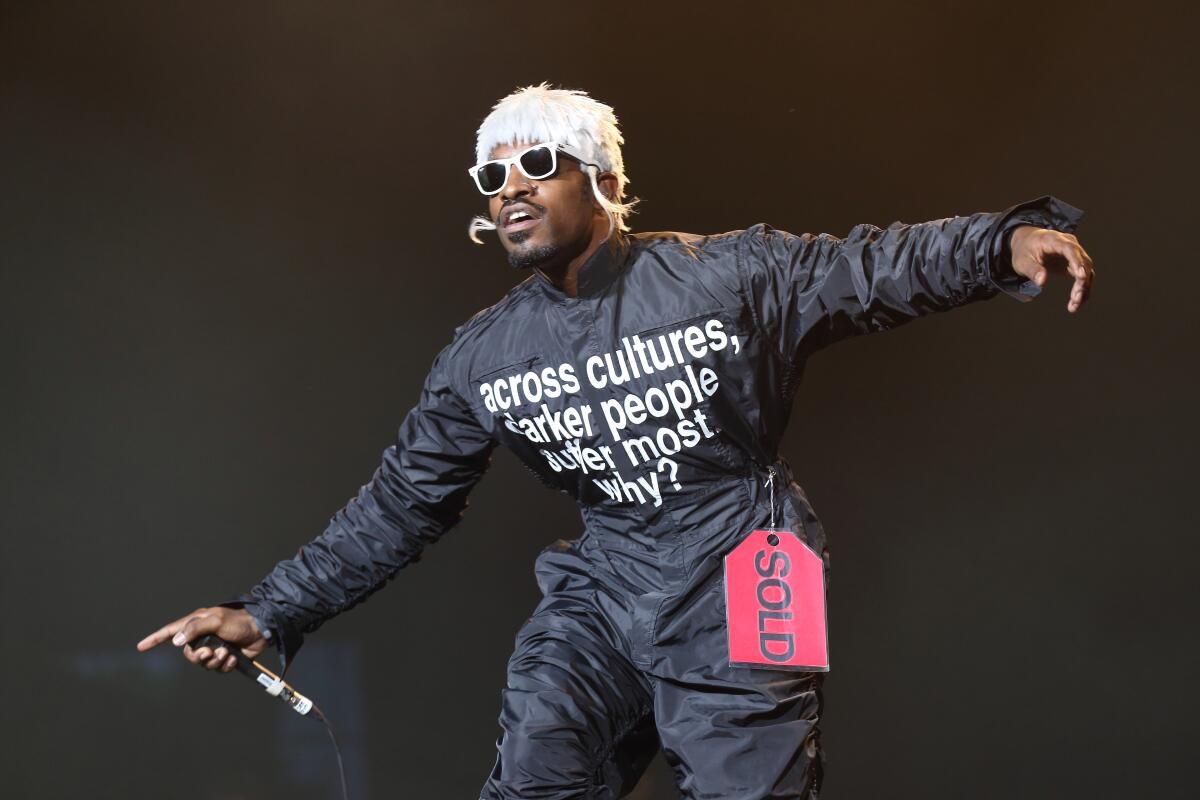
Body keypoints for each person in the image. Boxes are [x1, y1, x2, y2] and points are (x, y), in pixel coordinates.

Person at [138, 83, 1095, 798]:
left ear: (603, 179)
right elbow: (398, 507)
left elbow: (867, 268)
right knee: (537, 763)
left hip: (746, 570)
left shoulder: (725, 278)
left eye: (536, 165)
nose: (509, 189)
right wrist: (267, 611)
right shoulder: (486, 356)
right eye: (491, 176)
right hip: (607, 588)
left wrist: (1001, 241)